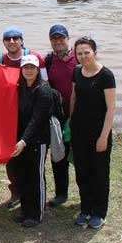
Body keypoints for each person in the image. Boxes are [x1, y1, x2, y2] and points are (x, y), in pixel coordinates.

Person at [0, 26, 46, 208]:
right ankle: (16, 193)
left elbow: (46, 83)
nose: (12, 41)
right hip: (8, 117)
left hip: (31, 114)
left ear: (22, 40)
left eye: (15, 38)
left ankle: (33, 196)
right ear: (4, 42)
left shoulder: (36, 57)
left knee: (32, 161)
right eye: (8, 38)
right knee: (12, 158)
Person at [70, 37, 116, 230]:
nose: (83, 56)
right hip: (78, 131)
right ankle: (85, 209)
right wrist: (69, 123)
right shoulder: (76, 72)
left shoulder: (106, 75)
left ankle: (99, 212)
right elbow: (74, 97)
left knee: (99, 173)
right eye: (79, 53)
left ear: (94, 52)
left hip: (99, 133)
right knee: (82, 172)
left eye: (86, 52)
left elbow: (111, 109)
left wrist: (104, 136)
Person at [7, 55, 56, 228]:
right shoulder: (20, 88)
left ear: (38, 70)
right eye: (25, 67)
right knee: (22, 175)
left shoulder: (43, 90)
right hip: (21, 141)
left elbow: (37, 120)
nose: (28, 70)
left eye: (32, 67)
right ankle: (26, 211)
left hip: (37, 141)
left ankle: (37, 214)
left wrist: (24, 141)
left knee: (36, 177)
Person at [45, 24, 79, 207]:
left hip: (79, 116)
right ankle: (61, 193)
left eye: (61, 38)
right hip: (57, 117)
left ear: (68, 39)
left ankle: (86, 194)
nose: (58, 41)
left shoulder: (80, 57)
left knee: (81, 157)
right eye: (54, 38)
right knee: (58, 156)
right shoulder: (49, 60)